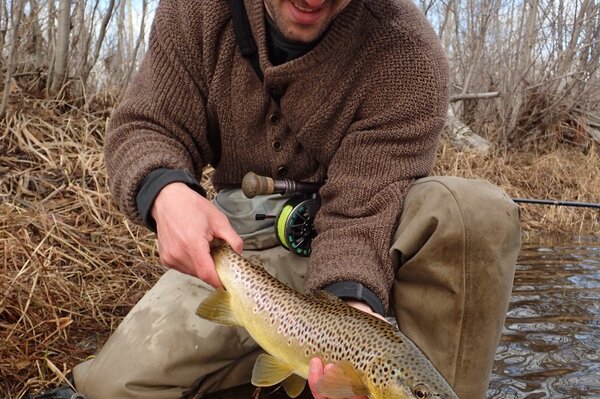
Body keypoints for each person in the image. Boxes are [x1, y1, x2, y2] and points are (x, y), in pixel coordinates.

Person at [35, 0, 521, 398]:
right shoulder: (196, 10)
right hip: (238, 249)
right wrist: (165, 192)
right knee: (108, 389)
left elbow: (364, 207)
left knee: (472, 211)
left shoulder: (407, 53)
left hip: (365, 245)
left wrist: (349, 307)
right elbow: (147, 125)